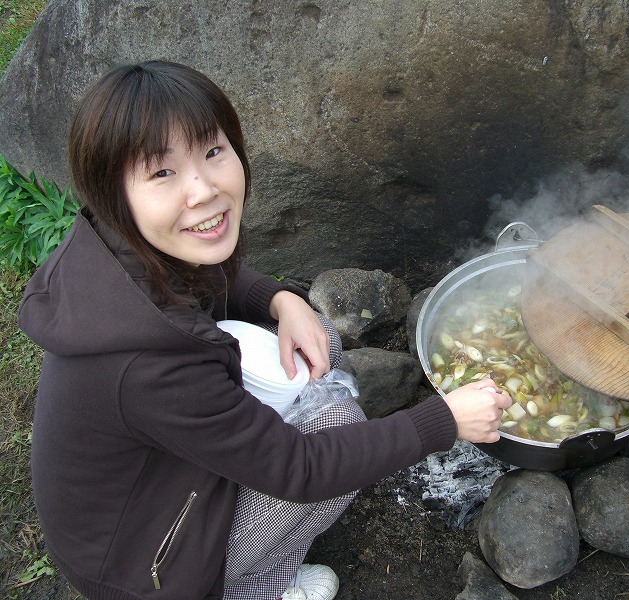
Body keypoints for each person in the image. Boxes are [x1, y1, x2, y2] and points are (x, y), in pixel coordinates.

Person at [17, 61, 512, 600]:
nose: (203, 191)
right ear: (114, 194)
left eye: (212, 152)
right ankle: (249, 587)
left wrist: (279, 300)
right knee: (335, 420)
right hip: (148, 568)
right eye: (162, 173)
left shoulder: (122, 248)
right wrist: (444, 420)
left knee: (317, 332)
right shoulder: (147, 368)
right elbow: (302, 469)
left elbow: (216, 275)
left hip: (163, 483)